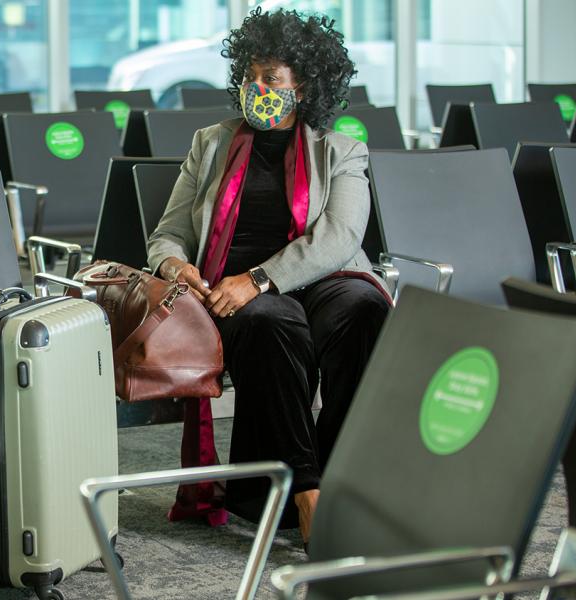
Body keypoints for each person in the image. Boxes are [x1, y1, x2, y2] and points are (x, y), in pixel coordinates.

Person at [147, 8, 392, 546]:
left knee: (365, 308)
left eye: (271, 78)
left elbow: (339, 239)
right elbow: (166, 233)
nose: (256, 88)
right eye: (249, 76)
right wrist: (174, 265)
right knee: (273, 323)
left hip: (317, 277)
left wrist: (259, 278)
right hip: (234, 291)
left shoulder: (342, 150)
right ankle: (306, 492)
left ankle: (344, 476)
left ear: (301, 86)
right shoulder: (210, 142)